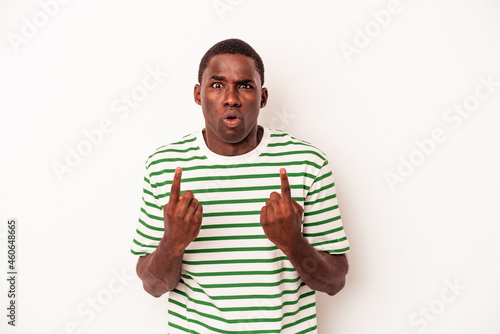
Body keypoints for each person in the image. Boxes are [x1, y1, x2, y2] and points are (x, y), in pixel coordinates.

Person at [131, 38, 350, 333]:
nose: (231, 98)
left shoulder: (307, 163)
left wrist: (293, 243)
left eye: (245, 86)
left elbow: (334, 283)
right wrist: (173, 243)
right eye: (217, 85)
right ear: (199, 94)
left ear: (262, 97)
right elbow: (154, 286)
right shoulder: (164, 166)